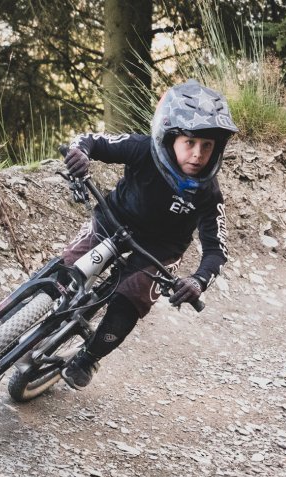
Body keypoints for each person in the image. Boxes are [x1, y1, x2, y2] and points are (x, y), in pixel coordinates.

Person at [60, 79, 238, 390]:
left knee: (132, 298)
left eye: (207, 146)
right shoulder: (144, 149)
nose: (197, 154)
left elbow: (217, 250)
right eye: (190, 143)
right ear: (170, 138)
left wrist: (197, 281)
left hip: (159, 250)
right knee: (65, 268)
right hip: (113, 220)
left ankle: (88, 359)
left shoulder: (209, 194)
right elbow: (91, 140)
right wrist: (79, 154)